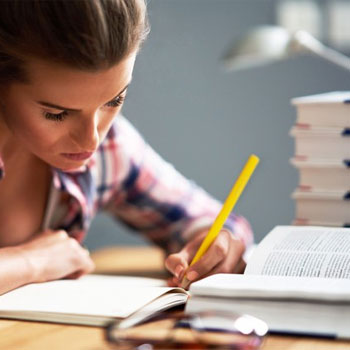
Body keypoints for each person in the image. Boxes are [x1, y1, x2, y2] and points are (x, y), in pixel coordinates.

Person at [0, 0, 253, 295]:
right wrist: (30, 262)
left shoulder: (110, 150)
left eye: (114, 101)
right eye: (57, 114)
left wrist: (214, 245)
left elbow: (214, 222)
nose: (91, 139)